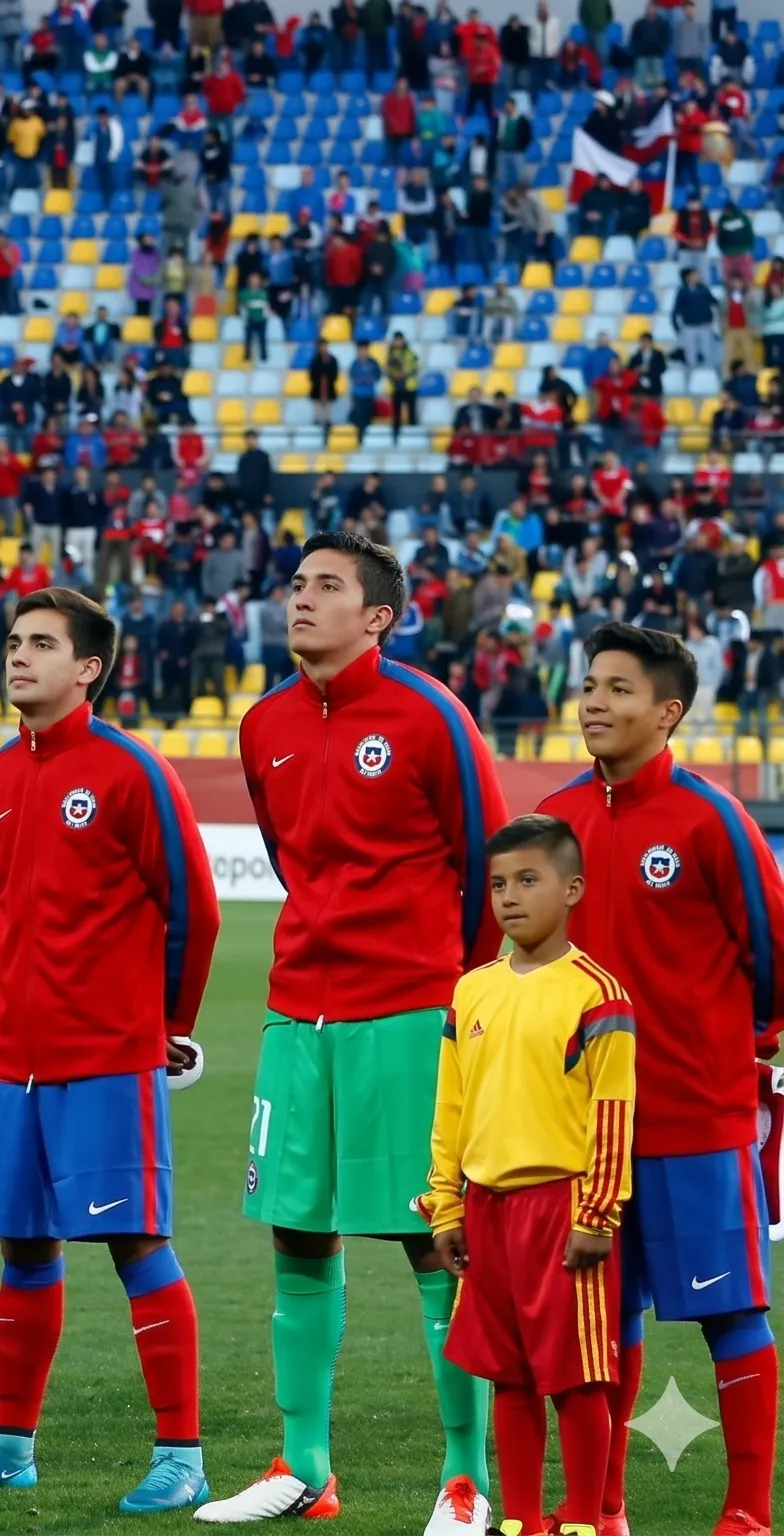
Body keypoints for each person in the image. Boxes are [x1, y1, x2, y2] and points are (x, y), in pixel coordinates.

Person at [203, 531, 508, 1531]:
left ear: (377, 616)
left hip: (412, 1011)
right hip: (300, 1010)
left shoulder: (429, 715)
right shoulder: (265, 726)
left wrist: (457, 995)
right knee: (296, 1226)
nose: (300, 599)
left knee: (433, 1236)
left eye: (326, 587)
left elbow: (487, 865)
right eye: (294, 584)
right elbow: (293, 862)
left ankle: (464, 1481)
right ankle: (303, 1468)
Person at [0, 587, 219, 1511]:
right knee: (22, 1247)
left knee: (135, 1241)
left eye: (42, 644)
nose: (19, 657)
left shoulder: (132, 772)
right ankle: (10, 1444)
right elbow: (7, 909)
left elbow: (193, 911)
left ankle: (182, 1454)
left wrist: (160, 1027)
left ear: (87, 668)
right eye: (13, 643)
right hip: (15, 1057)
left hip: (108, 1055)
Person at [538, 621, 782, 1536]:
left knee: (731, 1311)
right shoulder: (551, 821)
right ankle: (599, 1508)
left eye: (618, 688)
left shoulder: (708, 817)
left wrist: (735, 1045)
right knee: (598, 1322)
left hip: (693, 1117)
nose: (594, 701)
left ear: (668, 711)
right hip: (577, 1128)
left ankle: (747, 1512)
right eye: (589, 684)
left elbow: (774, 950)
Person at [423, 815, 635, 1536]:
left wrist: (597, 1215)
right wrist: (446, 1208)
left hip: (563, 1205)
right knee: (508, 1374)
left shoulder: (596, 993)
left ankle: (582, 1518)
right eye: (498, 884)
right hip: (486, 1208)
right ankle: (521, 1520)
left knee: (575, 1376)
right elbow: (450, 1107)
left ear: (571, 889)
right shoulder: (471, 990)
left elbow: (613, 1110)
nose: (509, 897)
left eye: (528, 880)